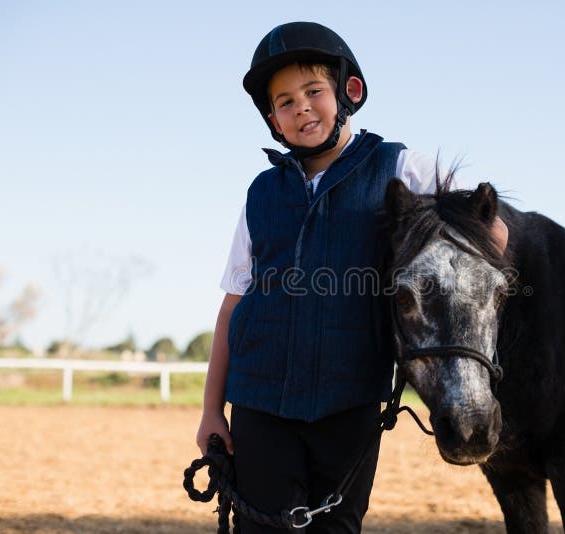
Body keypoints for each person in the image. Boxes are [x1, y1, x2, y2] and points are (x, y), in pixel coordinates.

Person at [195, 21, 508, 533]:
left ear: (348, 92)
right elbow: (233, 305)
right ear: (272, 119)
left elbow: (490, 229)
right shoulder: (261, 193)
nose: (301, 108)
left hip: (350, 405)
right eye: (285, 102)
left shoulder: (401, 166)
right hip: (259, 402)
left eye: (313, 91)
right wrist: (212, 410)